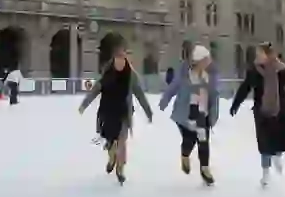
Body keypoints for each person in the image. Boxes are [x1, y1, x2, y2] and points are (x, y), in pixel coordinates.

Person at [230, 42, 285, 187]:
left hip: (280, 109)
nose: (258, 57)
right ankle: (265, 174)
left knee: (278, 139)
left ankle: (277, 156)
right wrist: (236, 104)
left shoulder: (281, 70)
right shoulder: (254, 71)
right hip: (262, 110)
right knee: (264, 143)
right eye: (257, 54)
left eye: (260, 54)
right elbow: (245, 87)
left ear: (268, 54)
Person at [79, 42, 153, 185]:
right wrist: (84, 105)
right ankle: (112, 157)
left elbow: (140, 95)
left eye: (122, 58)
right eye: (118, 58)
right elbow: (95, 90)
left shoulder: (131, 76)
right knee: (111, 142)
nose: (120, 61)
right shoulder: (107, 74)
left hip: (124, 113)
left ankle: (120, 169)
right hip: (108, 113)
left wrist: (148, 112)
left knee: (122, 142)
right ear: (114, 60)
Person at [159, 45, 219, 185]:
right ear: (199, 61)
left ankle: (205, 169)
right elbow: (173, 87)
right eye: (206, 59)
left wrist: (214, 114)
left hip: (202, 114)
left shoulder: (210, 76)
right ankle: (185, 154)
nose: (209, 61)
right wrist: (164, 100)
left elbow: (214, 95)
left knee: (203, 141)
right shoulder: (185, 75)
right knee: (190, 141)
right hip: (186, 114)